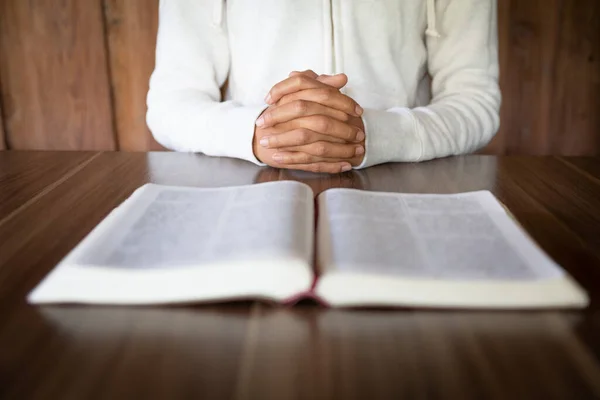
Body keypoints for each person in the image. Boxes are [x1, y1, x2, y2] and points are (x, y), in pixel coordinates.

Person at [147, 0, 500, 174]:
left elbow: (475, 99)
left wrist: (378, 136)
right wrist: (257, 134)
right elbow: (170, 102)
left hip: (401, 180)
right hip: (252, 183)